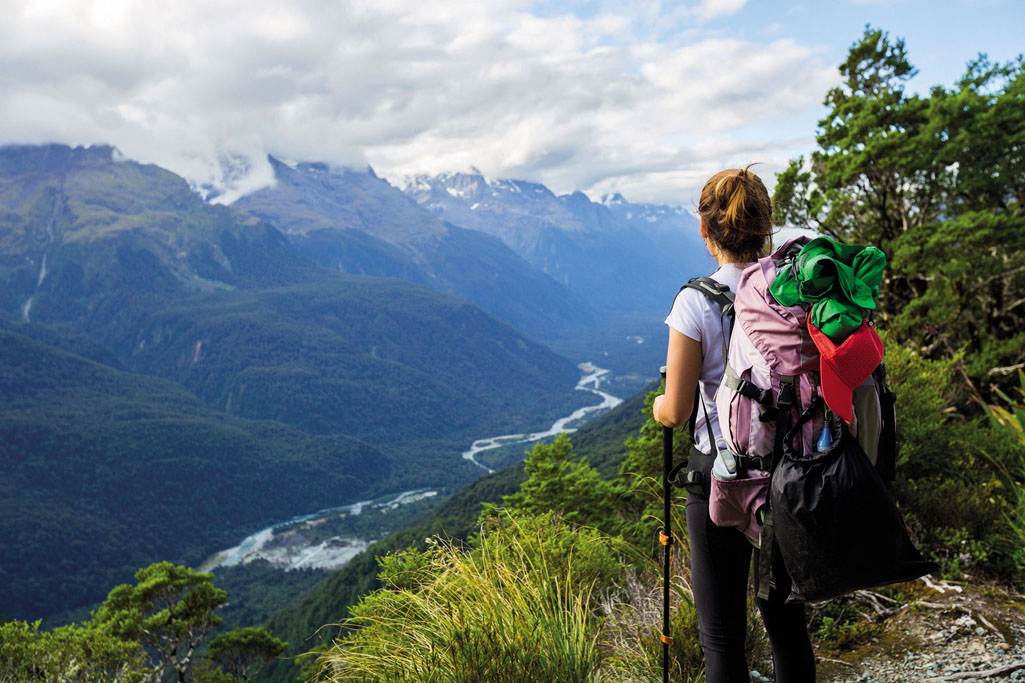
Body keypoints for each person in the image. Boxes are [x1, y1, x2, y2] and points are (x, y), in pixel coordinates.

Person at [652, 166, 816, 682]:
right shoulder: (789, 289)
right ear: (767, 227)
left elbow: (676, 412)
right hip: (790, 477)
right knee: (786, 622)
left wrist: (659, 404)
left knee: (722, 637)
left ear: (705, 231)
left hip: (719, 479)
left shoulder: (695, 302)